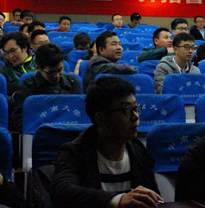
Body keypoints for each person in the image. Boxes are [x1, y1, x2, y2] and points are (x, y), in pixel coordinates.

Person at [51, 77, 162, 208]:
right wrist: (117, 200)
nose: (135, 116)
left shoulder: (139, 151)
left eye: (136, 108)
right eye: (126, 110)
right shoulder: (74, 152)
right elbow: (62, 192)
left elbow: (154, 199)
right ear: (101, 118)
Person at [10, 43, 81, 131]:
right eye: (50, 73)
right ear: (38, 67)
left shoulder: (73, 83)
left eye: (60, 70)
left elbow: (80, 114)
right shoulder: (27, 87)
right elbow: (19, 119)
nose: (56, 76)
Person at [0, 32, 36, 96]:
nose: (11, 56)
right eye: (7, 53)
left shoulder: (39, 61)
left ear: (24, 47)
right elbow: (4, 97)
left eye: (13, 50)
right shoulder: (5, 70)